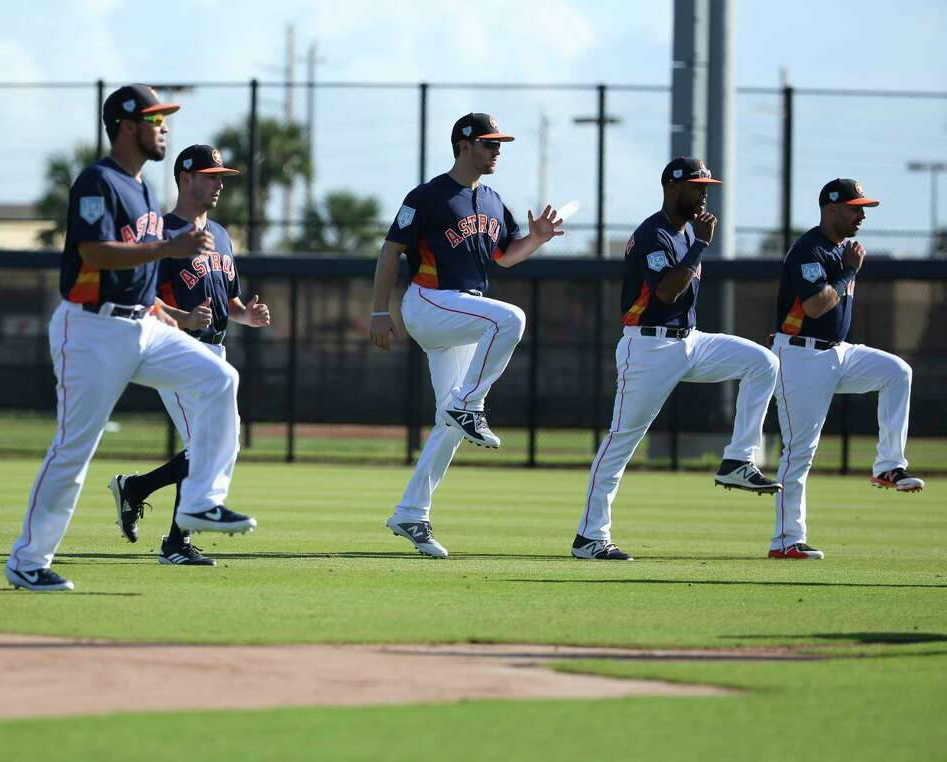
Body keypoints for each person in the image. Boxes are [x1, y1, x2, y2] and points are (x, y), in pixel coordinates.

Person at [5, 86, 255, 592]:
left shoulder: (142, 189)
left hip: (143, 323)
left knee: (219, 379)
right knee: (74, 449)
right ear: (126, 125)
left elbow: (142, 281)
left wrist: (169, 313)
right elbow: (94, 254)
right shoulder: (99, 181)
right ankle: (28, 560)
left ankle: (201, 501)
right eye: (155, 119)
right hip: (91, 327)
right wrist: (168, 246)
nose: (163, 128)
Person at [370, 112, 566, 558]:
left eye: (499, 145)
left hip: (460, 313)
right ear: (464, 145)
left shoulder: (494, 199)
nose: (497, 151)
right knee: (511, 319)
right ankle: (470, 405)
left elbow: (504, 257)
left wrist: (534, 240)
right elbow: (390, 252)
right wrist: (381, 310)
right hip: (429, 302)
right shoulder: (428, 196)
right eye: (489, 144)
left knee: (448, 424)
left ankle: (410, 513)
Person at [571, 157, 782, 562]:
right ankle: (590, 537)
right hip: (648, 347)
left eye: (707, 186)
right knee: (620, 442)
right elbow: (666, 293)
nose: (705, 193)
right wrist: (702, 244)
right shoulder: (654, 235)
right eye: (697, 186)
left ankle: (738, 459)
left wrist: (697, 242)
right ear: (672, 187)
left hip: (690, 342)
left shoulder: (685, 233)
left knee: (763, 363)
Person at [108, 144, 270, 566]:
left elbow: (228, 302)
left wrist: (246, 316)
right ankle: (176, 543)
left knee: (221, 443)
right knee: (207, 444)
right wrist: (184, 318)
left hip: (214, 351)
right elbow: (144, 301)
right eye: (210, 175)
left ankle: (136, 489)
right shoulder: (159, 232)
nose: (219, 183)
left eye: (221, 176)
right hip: (174, 350)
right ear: (185, 178)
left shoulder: (219, 234)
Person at [769, 179, 924, 560]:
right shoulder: (810, 249)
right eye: (855, 207)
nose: (862, 215)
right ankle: (786, 540)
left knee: (897, 372)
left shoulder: (841, 249)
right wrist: (849, 270)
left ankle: (889, 466)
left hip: (838, 353)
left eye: (863, 207)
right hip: (800, 356)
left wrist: (847, 265)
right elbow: (816, 306)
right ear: (831, 208)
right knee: (799, 451)